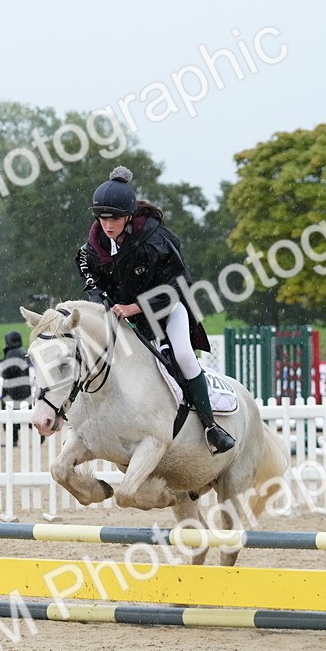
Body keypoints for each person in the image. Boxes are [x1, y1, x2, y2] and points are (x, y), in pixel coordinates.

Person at [75, 166, 235, 454]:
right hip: (125, 317)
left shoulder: (155, 239)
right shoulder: (96, 243)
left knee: (184, 356)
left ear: (128, 216)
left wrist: (133, 307)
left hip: (166, 312)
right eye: (102, 218)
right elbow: (86, 268)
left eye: (114, 219)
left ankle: (211, 427)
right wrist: (99, 297)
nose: (107, 225)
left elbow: (177, 286)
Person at [0, 331, 32, 445]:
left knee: (10, 415)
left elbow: (8, 371)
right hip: (24, 388)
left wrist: (2, 373)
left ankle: (13, 440)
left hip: (12, 390)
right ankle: (39, 436)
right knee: (26, 414)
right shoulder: (23, 351)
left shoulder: (12, 353)